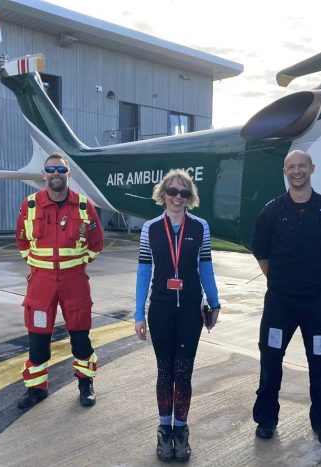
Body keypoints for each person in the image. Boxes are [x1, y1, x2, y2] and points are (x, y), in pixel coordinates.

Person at [251, 149, 321, 445]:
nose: (297, 171)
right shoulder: (272, 211)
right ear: (285, 171)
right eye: (291, 166)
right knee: (270, 361)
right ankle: (266, 420)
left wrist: (316, 275)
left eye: (302, 166)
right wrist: (279, 279)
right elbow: (261, 251)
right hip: (280, 302)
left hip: (316, 303)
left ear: (312, 169)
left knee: (320, 363)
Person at [135, 169, 221, 462]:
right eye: (171, 191)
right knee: (165, 371)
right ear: (163, 194)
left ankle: (181, 432)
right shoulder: (150, 228)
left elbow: (206, 266)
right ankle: (163, 431)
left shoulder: (200, 227)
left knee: (184, 372)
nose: (177, 197)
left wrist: (215, 300)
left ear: (190, 197)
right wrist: (138, 313)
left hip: (190, 309)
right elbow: (144, 270)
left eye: (183, 193)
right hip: (160, 308)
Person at [15, 153, 104, 409]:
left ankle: (85, 385)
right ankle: (36, 389)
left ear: (68, 175)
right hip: (41, 283)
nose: (56, 173)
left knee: (80, 336)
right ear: (44, 174)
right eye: (50, 169)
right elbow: (22, 241)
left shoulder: (85, 206)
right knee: (38, 338)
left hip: (74, 281)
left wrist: (76, 264)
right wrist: (37, 266)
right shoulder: (29, 205)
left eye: (61, 169)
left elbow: (96, 244)